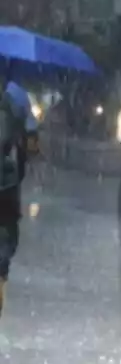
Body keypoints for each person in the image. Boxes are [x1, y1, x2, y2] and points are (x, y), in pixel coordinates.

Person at [0, 81, 38, 317]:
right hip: (7, 182)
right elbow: (31, 141)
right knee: (5, 239)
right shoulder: (18, 95)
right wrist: (20, 170)